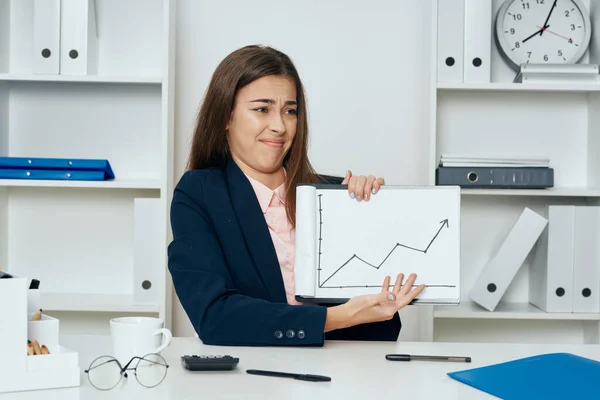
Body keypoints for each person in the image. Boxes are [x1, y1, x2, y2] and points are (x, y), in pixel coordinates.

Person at [168, 44, 425, 347]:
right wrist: (341, 317)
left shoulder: (333, 195)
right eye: (262, 109)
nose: (278, 126)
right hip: (255, 380)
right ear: (226, 116)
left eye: (289, 111)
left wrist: (367, 216)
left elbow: (380, 324)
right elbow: (215, 318)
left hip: (348, 375)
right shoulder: (199, 194)